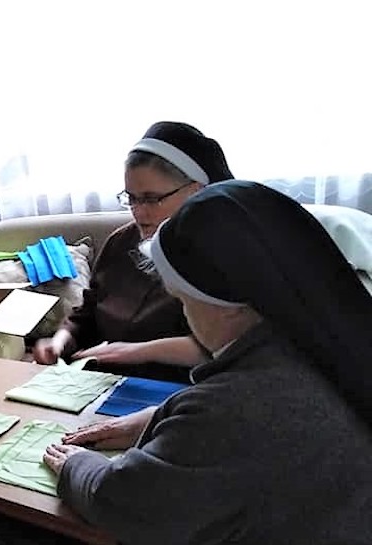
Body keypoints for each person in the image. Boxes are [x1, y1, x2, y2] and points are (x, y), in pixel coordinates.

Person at [44, 181, 372, 545]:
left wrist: (74, 465)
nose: (186, 316)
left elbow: (123, 502)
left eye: (183, 302)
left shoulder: (235, 410)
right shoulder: (331, 340)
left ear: (231, 306)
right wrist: (160, 417)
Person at [32, 121, 233, 383]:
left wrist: (132, 352)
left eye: (151, 199)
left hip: (183, 389)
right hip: (104, 382)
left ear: (196, 190)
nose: (138, 212)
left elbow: (226, 345)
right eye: (132, 198)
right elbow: (87, 314)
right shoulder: (120, 242)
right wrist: (60, 340)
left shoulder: (227, 253)